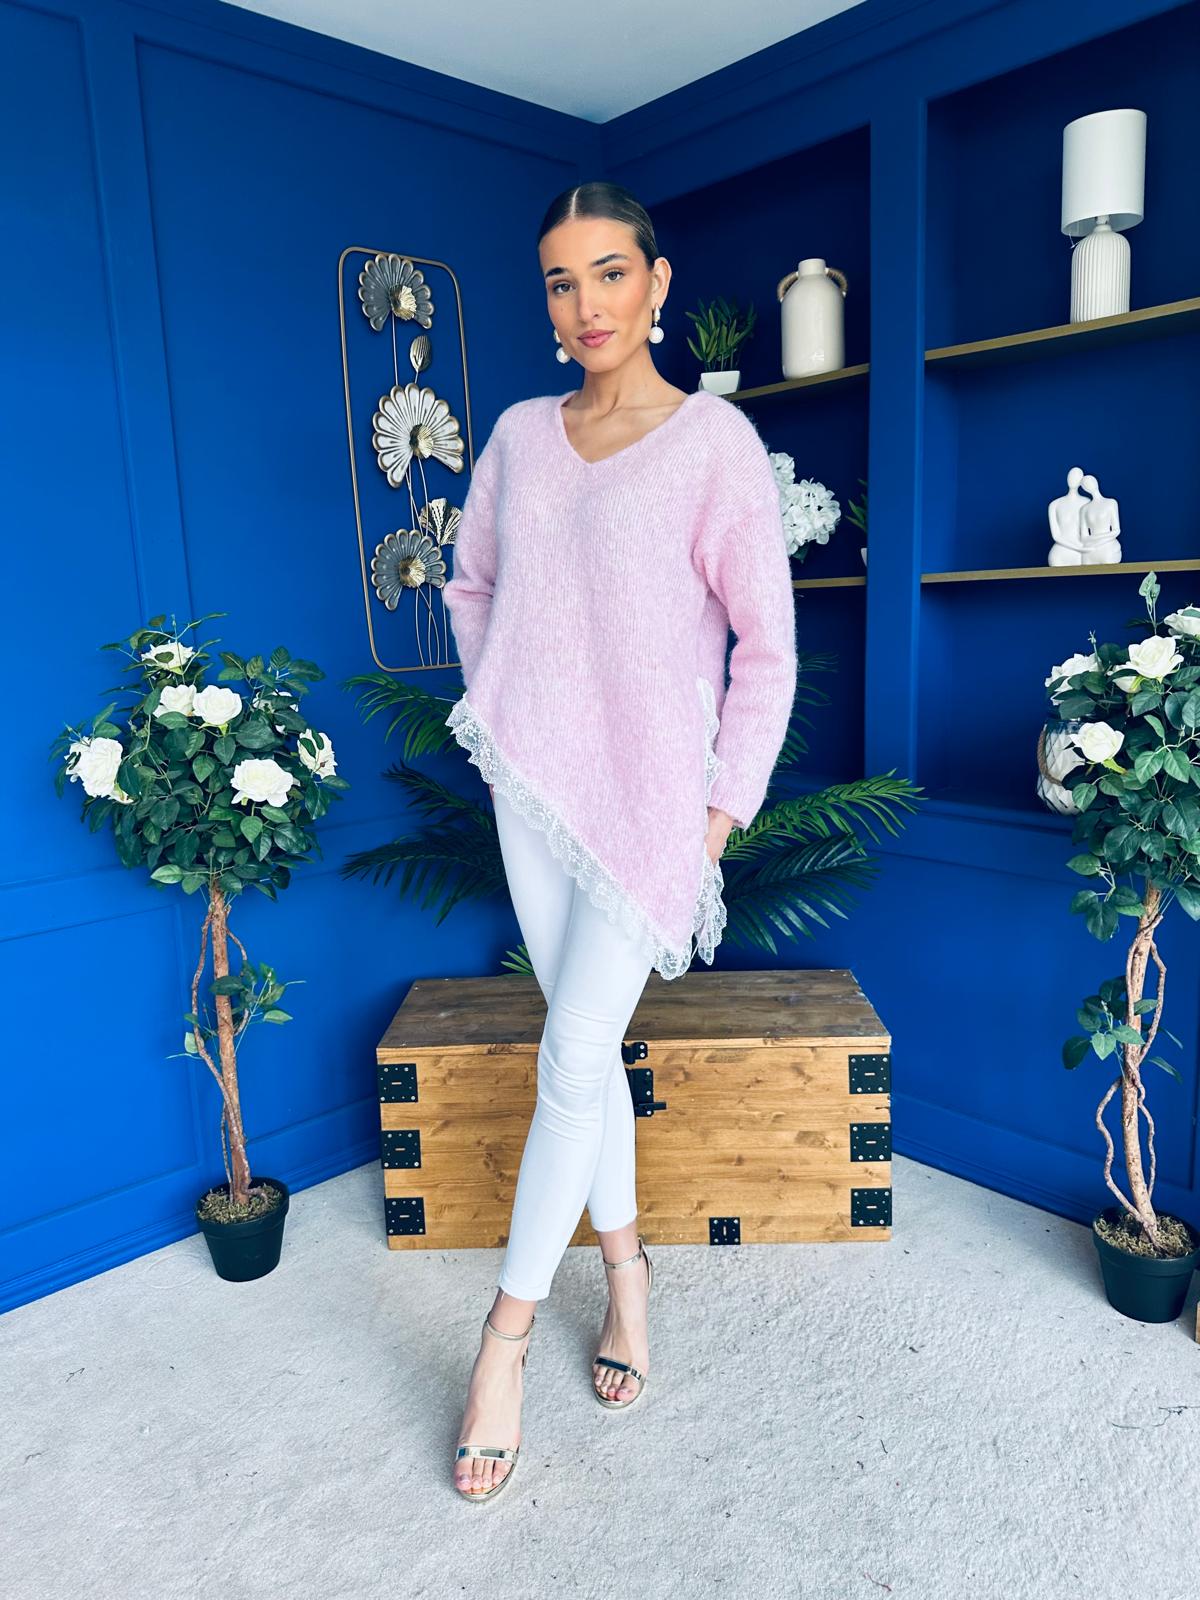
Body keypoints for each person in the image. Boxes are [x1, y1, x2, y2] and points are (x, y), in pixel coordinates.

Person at [441, 181, 798, 1501]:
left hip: (653, 812)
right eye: (560, 279)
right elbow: (472, 584)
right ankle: (629, 1276)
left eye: (608, 272)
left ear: (656, 282)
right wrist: (507, 702)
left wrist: (718, 814)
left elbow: (767, 648)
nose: (585, 302)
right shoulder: (520, 439)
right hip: (533, 793)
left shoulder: (716, 445)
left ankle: (502, 1345)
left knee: (570, 1058)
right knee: (581, 1063)